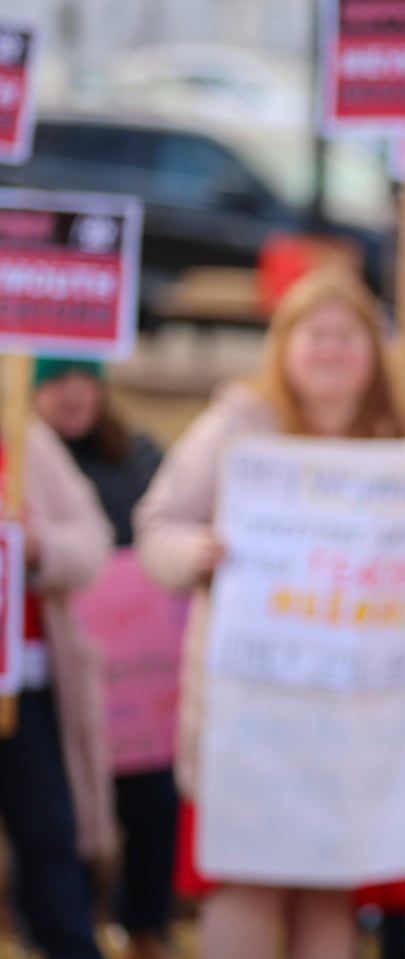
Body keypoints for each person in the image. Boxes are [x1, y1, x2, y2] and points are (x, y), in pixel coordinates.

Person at [133, 268, 405, 959]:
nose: (331, 349)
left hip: (361, 721)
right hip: (249, 716)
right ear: (284, 345)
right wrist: (192, 550)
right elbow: (156, 525)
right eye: (314, 334)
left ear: (374, 350)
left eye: (347, 335)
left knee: (330, 889)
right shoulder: (238, 423)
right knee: (245, 884)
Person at [31, 358, 176, 959]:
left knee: (149, 800)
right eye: (52, 380)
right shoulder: (32, 455)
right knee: (58, 811)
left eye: (79, 377)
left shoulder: (139, 456)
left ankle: (142, 926)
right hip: (62, 670)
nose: (70, 393)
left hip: (141, 678)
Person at [0, 409, 114, 959]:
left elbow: (93, 539)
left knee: (49, 837)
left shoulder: (24, 438)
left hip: (25, 686)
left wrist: (39, 543)